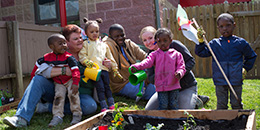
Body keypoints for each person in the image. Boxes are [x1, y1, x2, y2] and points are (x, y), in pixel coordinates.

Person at [3, 24, 97, 128]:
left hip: (78, 94)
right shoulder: (55, 55)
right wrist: (64, 70)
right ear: (67, 42)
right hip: (57, 89)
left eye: (81, 38)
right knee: (38, 79)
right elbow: (42, 71)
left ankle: (46, 107)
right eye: (76, 39)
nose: (80, 40)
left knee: (90, 106)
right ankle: (21, 118)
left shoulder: (89, 55)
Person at [195, 13, 257, 109]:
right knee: (221, 104)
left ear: (234, 25)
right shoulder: (214, 44)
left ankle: (238, 121)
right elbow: (201, 53)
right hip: (220, 80)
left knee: (236, 103)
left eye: (228, 25)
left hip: (236, 79)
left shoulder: (240, 43)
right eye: (221, 26)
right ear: (218, 28)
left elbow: (251, 56)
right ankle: (222, 121)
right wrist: (200, 41)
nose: (225, 28)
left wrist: (245, 68)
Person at [142, 26, 208, 110]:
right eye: (144, 40)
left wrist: (179, 74)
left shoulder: (174, 45)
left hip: (185, 87)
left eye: (150, 38)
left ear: (156, 37)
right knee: (149, 110)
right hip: (164, 90)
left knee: (184, 112)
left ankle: (196, 101)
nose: (148, 42)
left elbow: (190, 61)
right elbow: (151, 77)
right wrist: (162, 79)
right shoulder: (150, 56)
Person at [31, 34, 82, 127]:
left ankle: (77, 115)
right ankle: (57, 116)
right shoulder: (47, 57)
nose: (64, 45)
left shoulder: (69, 57)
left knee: (73, 95)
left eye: (64, 43)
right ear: (52, 47)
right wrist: (32, 80)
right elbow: (36, 67)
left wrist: (75, 83)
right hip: (58, 83)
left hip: (70, 80)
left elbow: (75, 70)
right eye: (60, 44)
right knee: (58, 97)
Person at [131, 28, 186, 110]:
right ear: (156, 41)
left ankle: (175, 121)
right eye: (159, 41)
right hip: (161, 86)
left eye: (165, 41)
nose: (162, 43)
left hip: (174, 85)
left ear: (170, 41)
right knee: (163, 105)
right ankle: (162, 121)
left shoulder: (176, 54)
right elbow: (147, 62)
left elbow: (181, 66)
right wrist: (137, 66)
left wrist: (179, 72)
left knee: (174, 104)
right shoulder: (154, 55)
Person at [79, 18, 122, 112]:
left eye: (97, 31)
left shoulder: (103, 45)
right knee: (100, 88)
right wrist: (87, 62)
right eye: (92, 32)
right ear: (86, 33)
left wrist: (115, 69)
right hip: (94, 71)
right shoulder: (86, 44)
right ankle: (103, 105)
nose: (95, 33)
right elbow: (82, 56)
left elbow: (110, 58)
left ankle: (111, 103)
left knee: (107, 86)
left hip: (104, 69)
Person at [103, 24, 156, 100]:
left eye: (122, 35)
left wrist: (148, 70)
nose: (120, 38)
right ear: (110, 37)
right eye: (116, 36)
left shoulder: (128, 43)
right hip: (122, 83)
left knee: (156, 76)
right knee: (153, 90)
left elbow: (145, 57)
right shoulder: (107, 46)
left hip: (136, 74)